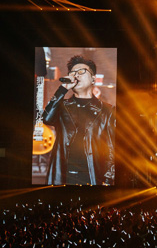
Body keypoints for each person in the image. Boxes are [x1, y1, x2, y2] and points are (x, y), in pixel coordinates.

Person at [43, 55, 115, 185]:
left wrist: (108, 179)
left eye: (81, 71)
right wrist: (63, 89)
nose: (76, 75)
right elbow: (46, 118)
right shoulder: (62, 106)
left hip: (93, 177)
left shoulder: (107, 110)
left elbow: (112, 148)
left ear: (93, 79)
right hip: (63, 177)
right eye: (73, 72)